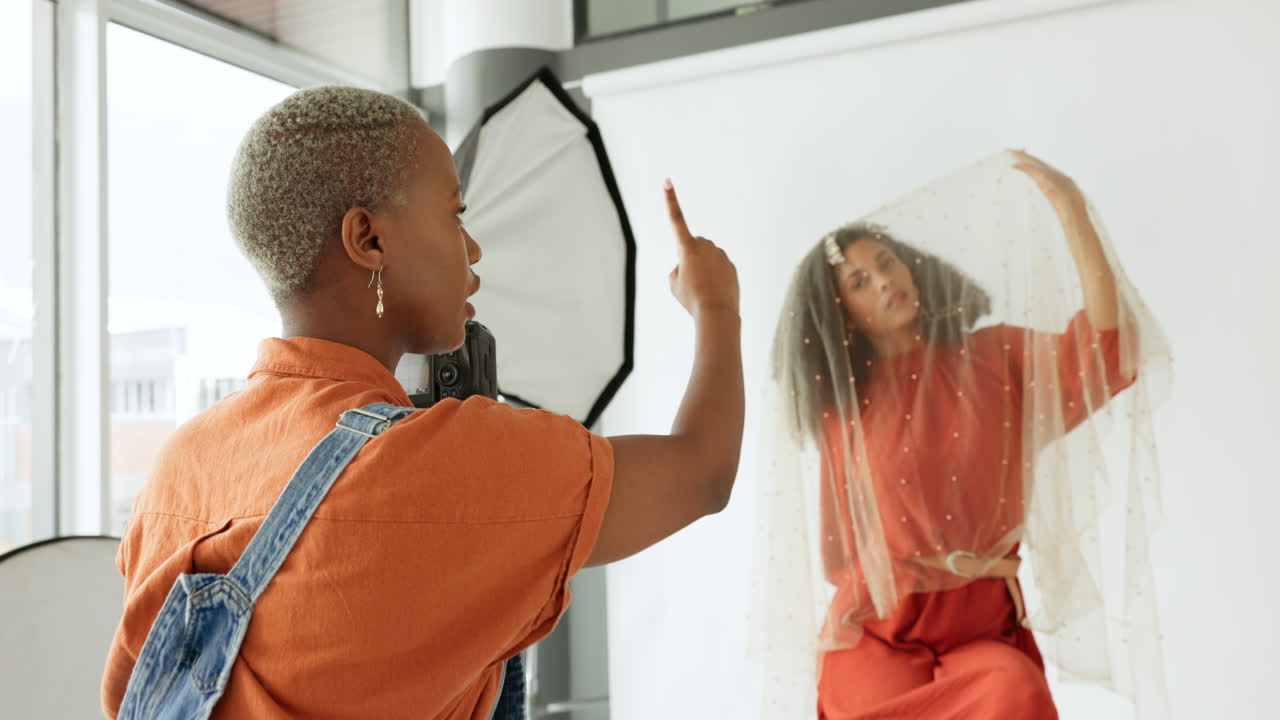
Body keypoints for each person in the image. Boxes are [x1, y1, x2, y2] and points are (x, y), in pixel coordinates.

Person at [101, 86, 743, 719]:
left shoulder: (177, 467)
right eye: (455, 214)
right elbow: (702, 472)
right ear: (369, 239)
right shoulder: (437, 462)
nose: (473, 248)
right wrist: (715, 306)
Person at [757, 151, 1168, 719]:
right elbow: (841, 549)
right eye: (859, 281)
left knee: (1015, 691)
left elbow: (1108, 348)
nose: (884, 280)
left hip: (980, 626)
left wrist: (1071, 209)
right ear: (843, 315)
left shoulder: (996, 357)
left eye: (887, 262)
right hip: (877, 635)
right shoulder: (841, 408)